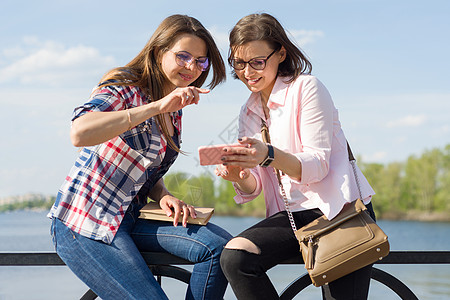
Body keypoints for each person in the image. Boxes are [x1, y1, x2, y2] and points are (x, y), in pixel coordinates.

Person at [48, 14, 232, 300]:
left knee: (220, 247)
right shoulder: (125, 86)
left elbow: (145, 172)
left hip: (131, 217)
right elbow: (79, 131)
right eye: (183, 56)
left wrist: (164, 196)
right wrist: (156, 107)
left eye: (200, 61)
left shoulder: (175, 109)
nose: (191, 67)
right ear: (159, 52)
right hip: (86, 222)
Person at [216, 13, 376, 300]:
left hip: (337, 212)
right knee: (235, 258)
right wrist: (239, 178)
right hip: (291, 219)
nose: (247, 72)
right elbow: (255, 187)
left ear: (280, 54)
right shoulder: (248, 110)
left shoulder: (307, 88)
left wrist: (268, 155)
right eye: (239, 63)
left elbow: (317, 166)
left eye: (257, 62)